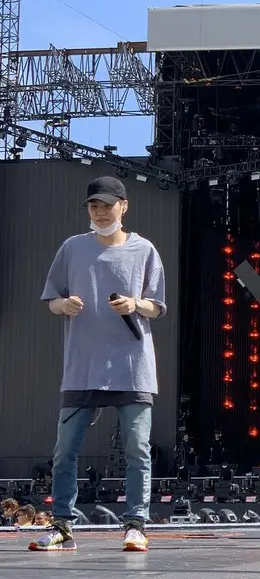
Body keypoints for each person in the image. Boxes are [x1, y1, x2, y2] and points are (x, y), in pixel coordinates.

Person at [29, 176, 166, 553]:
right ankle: (62, 525)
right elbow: (52, 300)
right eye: (94, 206)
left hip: (132, 366)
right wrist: (64, 304)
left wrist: (135, 304)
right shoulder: (72, 247)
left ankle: (136, 525)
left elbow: (157, 306)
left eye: (107, 205)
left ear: (124, 206)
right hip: (82, 367)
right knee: (64, 451)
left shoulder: (144, 249)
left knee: (137, 449)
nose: (101, 212)